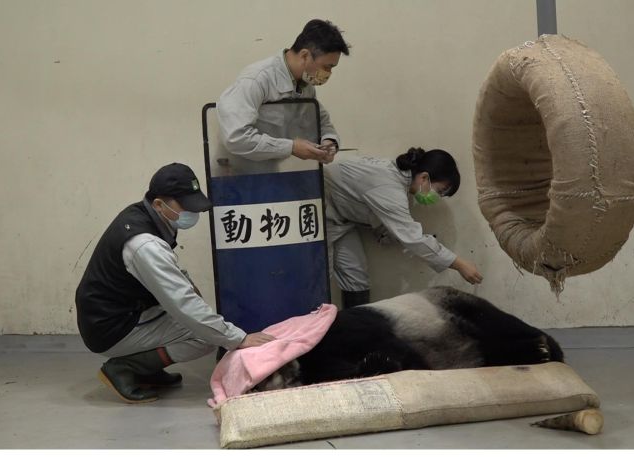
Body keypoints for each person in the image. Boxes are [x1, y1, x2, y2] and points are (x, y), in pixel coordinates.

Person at [75, 163, 275, 404]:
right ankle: (125, 367)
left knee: (202, 319)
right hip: (110, 328)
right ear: (159, 204)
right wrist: (238, 338)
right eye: (187, 206)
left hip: (121, 313)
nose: (194, 213)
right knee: (206, 335)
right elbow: (184, 305)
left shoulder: (145, 214)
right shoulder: (144, 244)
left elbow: (175, 284)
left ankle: (147, 367)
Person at [324, 147, 484, 307]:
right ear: (424, 177)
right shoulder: (390, 187)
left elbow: (394, 228)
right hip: (322, 214)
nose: (437, 197)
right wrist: (460, 264)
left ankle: (355, 330)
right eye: (439, 191)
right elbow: (414, 239)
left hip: (341, 220)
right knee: (320, 278)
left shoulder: (398, 183)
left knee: (356, 278)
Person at [216, 19, 350, 164]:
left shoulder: (306, 85)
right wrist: (291, 147)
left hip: (274, 171)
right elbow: (235, 138)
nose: (328, 73)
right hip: (236, 172)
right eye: (327, 66)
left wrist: (329, 142)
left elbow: (320, 121)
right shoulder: (256, 79)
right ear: (305, 56)